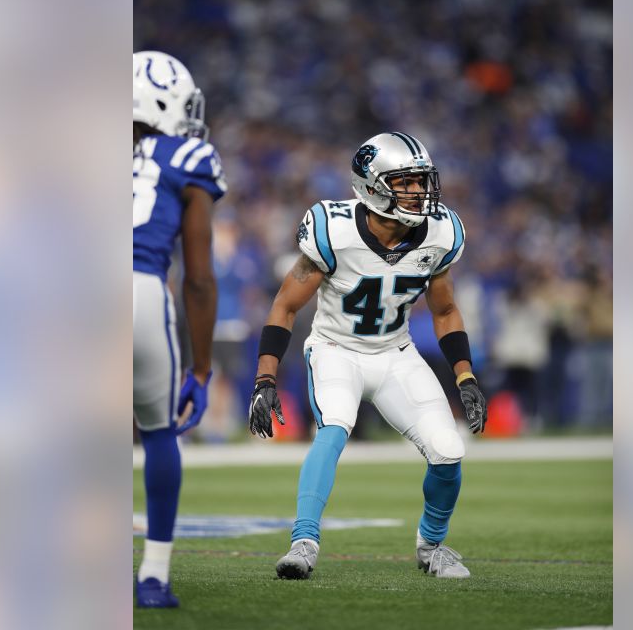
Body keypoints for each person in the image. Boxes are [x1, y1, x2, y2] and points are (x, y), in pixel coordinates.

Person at [248, 132, 487, 580]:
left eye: (421, 181)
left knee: (449, 448)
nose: (419, 192)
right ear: (372, 185)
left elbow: (447, 309)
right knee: (333, 429)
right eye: (406, 182)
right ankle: (303, 543)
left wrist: (465, 377)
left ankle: (431, 546)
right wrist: (265, 379)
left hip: (396, 353)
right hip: (336, 349)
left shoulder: (439, 232)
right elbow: (285, 305)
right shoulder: (332, 228)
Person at [132, 51, 226, 608]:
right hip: (141, 288)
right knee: (159, 431)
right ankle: (154, 576)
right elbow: (198, 279)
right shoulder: (189, 155)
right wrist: (202, 367)